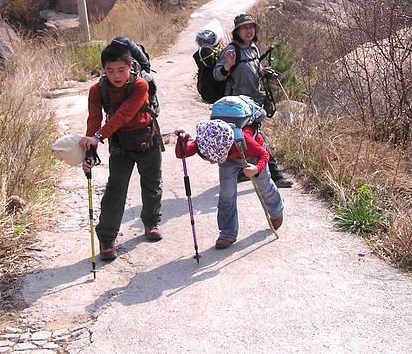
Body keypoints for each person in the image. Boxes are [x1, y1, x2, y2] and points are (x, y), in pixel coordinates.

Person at [79, 41, 163, 261]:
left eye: (121, 70)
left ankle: (151, 222)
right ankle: (107, 239)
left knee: (152, 184)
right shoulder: (97, 90)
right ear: (103, 70)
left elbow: (122, 115)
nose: (116, 76)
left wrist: (98, 137)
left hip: (148, 138)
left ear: (131, 66)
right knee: (115, 189)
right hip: (120, 143)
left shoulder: (140, 86)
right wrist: (90, 148)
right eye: (110, 71)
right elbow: (94, 118)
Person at [175, 118, 284, 249]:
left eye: (211, 158)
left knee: (264, 186)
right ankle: (227, 233)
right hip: (228, 159)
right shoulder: (206, 140)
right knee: (226, 195)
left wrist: (256, 169)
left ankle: (276, 211)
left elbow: (264, 155)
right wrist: (184, 138)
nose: (210, 161)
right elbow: (182, 153)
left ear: (219, 151)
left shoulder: (244, 139)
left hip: (251, 155)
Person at [213, 13, 293, 188]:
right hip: (236, 107)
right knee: (256, 138)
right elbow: (217, 75)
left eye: (251, 27)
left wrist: (264, 72)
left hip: (252, 103)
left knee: (246, 138)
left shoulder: (253, 48)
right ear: (237, 32)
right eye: (244, 28)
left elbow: (255, 69)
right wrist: (227, 65)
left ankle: (242, 172)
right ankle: (275, 175)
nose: (249, 30)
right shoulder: (231, 50)